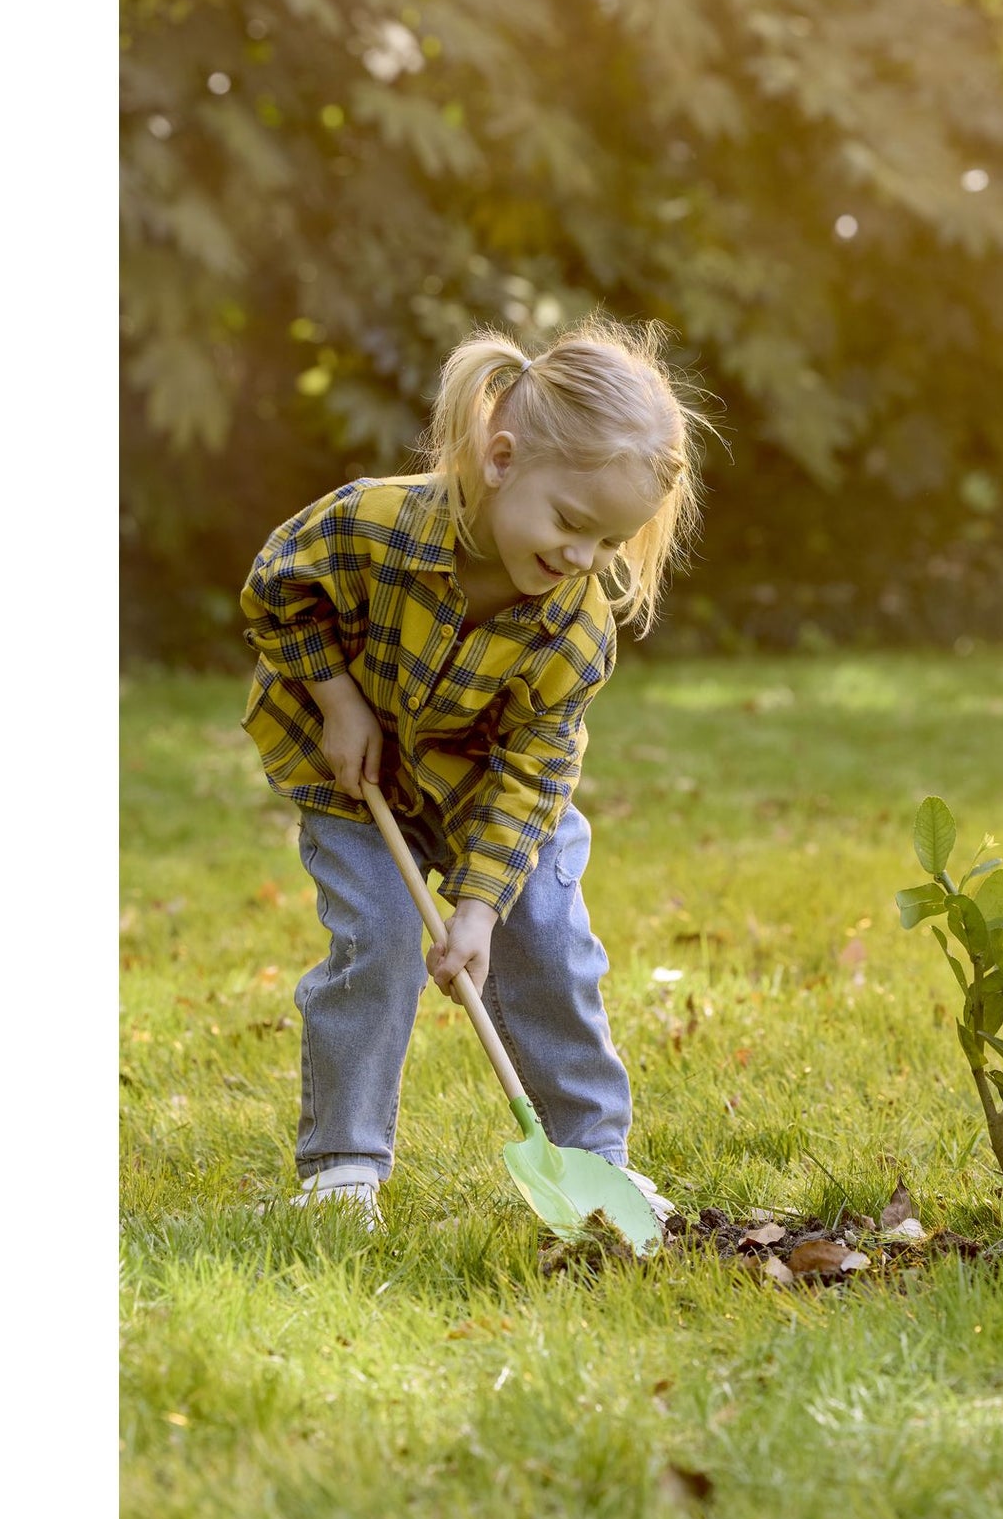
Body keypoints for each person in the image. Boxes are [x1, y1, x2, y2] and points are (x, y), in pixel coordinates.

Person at [239, 314, 711, 1228]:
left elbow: (536, 771)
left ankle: (593, 1159)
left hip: (493, 794)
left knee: (550, 940)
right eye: (571, 523)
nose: (582, 559)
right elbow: (276, 586)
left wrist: (481, 910)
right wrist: (339, 700)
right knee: (378, 933)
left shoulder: (575, 625)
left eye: (610, 544)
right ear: (500, 460)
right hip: (359, 776)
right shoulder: (373, 524)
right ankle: (341, 1170)